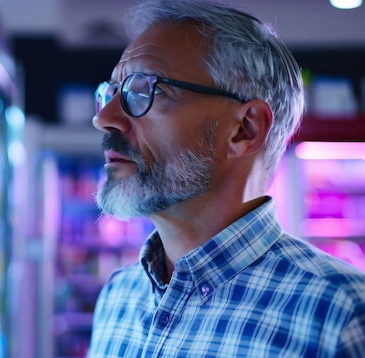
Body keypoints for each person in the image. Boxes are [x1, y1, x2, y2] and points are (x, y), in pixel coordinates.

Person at [88, 0, 365, 357]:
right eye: (110, 93)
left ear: (244, 130)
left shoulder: (340, 316)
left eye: (144, 90)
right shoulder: (117, 298)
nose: (105, 118)